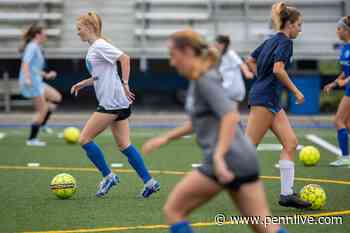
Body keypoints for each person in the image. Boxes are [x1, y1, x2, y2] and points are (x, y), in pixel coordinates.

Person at [142, 29, 287, 233]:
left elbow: (230, 116)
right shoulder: (197, 78)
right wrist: (165, 138)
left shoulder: (204, 79)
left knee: (173, 211)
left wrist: (219, 157)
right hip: (242, 158)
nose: (172, 62)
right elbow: (197, 121)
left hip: (227, 160)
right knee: (264, 227)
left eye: (173, 55)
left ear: (187, 51)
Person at [71, 12, 160, 197]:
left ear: (89, 27)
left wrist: (126, 83)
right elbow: (100, 74)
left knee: (84, 139)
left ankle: (108, 176)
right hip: (119, 102)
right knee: (125, 145)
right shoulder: (96, 47)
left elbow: (125, 58)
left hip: (111, 102)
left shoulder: (99, 45)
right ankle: (149, 182)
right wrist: (84, 83)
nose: (77, 32)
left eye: (79, 29)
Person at [245, 2, 311, 209]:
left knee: (290, 143)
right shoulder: (285, 42)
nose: (300, 29)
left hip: (269, 98)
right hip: (264, 99)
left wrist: (261, 79)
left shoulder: (270, 40)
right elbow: (278, 69)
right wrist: (296, 92)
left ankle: (286, 195)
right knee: (247, 149)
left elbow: (250, 60)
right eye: (299, 25)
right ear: (290, 24)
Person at [18, 24, 62, 146]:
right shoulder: (32, 46)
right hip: (32, 83)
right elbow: (25, 64)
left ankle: (42, 124)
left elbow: (34, 67)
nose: (46, 36)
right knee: (42, 110)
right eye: (44, 34)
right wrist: (27, 79)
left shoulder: (36, 46)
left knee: (56, 98)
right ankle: (32, 139)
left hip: (37, 81)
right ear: (38, 35)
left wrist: (46, 75)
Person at [324, 16, 350, 166]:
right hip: (348, 86)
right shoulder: (344, 47)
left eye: (339, 28)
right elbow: (346, 71)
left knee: (338, 120)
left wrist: (345, 82)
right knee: (346, 123)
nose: (337, 31)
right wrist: (334, 83)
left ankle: (345, 157)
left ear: (347, 30)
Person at [214, 35, 254, 102]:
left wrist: (247, 72)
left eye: (217, 44)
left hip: (233, 85)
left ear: (223, 45)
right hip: (226, 85)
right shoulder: (220, 55)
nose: (216, 46)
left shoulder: (230, 53)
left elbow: (241, 64)